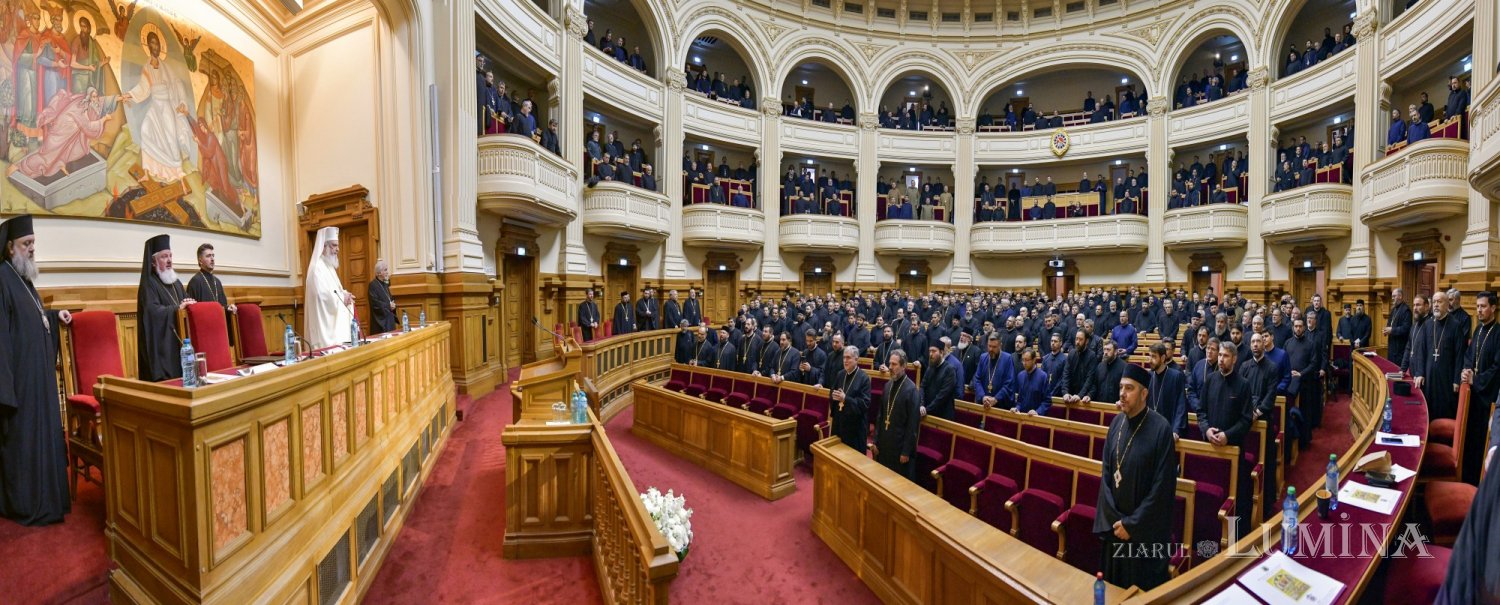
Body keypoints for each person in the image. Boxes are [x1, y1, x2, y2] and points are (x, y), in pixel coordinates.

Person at [0, 215, 72, 525]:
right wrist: (6, 386)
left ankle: (49, 496)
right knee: (24, 439)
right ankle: (27, 501)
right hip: (19, 380)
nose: (31, 249)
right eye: (26, 244)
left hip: (38, 374)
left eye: (33, 244)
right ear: (9, 247)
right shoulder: (3, 277)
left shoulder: (24, 278)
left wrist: (55, 316)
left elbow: (36, 317)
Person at [1095, 364, 1179, 592]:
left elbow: (1162, 488)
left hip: (1143, 537)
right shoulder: (1116, 424)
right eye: (1121, 387)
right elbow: (1106, 475)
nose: (1122, 393)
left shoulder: (1161, 429)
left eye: (1129, 388)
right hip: (1115, 530)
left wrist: (1132, 525)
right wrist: (1116, 522)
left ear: (1144, 394)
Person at [137, 234, 195, 380]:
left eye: (170, 256)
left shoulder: (176, 283)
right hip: (162, 352)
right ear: (153, 262)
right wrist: (177, 309)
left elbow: (185, 303)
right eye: (164, 257)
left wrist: (190, 306)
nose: (169, 260)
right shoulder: (149, 284)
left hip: (181, 347)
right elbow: (152, 314)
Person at [1461, 291, 1500, 484]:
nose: (1479, 310)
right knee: (1470, 440)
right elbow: (1468, 355)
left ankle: (1478, 482)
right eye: (1477, 306)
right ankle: (1466, 478)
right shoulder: (1478, 330)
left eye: (1483, 306)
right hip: (1473, 396)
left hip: (1487, 399)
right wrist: (1466, 372)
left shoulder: (1498, 333)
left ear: (1493, 308)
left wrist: (1475, 380)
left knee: (1480, 442)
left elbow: (1497, 369)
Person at [303, 227, 355, 350]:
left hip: (333, 330)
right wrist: (342, 297)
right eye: (334, 245)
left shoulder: (328, 266)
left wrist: (345, 294)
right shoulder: (316, 268)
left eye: (337, 245)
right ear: (324, 246)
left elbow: (335, 291)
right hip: (323, 332)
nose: (338, 249)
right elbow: (321, 296)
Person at [873, 349, 920, 479]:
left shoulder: (911, 390)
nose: (890, 367)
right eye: (890, 364)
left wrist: (906, 451)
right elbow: (880, 416)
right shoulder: (888, 385)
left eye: (894, 364)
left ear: (904, 366)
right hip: (884, 443)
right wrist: (876, 440)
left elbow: (913, 425)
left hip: (899, 448)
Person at [828, 346, 871, 453]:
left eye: (848, 358)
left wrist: (845, 399)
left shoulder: (864, 378)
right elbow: (832, 393)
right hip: (839, 422)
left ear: (856, 359)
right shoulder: (840, 374)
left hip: (854, 427)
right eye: (844, 358)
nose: (845, 361)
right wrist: (833, 397)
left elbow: (864, 404)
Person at [1146, 342, 1188, 437]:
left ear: (1163, 358)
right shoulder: (1149, 375)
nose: (1150, 360)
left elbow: (1181, 405)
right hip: (1150, 428)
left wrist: (1176, 430)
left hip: (1168, 429)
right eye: (1149, 356)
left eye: (1154, 357)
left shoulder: (1176, 376)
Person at [186, 243, 236, 315]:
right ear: (200, 261)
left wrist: (228, 308)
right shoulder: (195, 282)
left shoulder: (217, 282)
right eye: (208, 256)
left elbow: (222, 306)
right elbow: (192, 311)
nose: (212, 259)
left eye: (213, 256)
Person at [921, 343, 958, 420]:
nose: (931, 354)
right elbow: (922, 387)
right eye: (930, 351)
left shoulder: (949, 370)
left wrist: (927, 409)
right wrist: (921, 405)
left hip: (943, 416)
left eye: (934, 351)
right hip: (927, 412)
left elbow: (943, 395)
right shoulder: (930, 368)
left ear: (941, 352)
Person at [1013, 348, 1050, 415]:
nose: (1024, 363)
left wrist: (1037, 412)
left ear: (1034, 360)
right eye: (1023, 360)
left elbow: (1047, 401)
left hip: (1036, 419)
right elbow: (1020, 400)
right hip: (1022, 417)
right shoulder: (1020, 375)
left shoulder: (1043, 376)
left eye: (1027, 360)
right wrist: (1017, 408)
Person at [1386, 288, 1412, 367]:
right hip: (1392, 348)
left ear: (1400, 296)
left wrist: (1392, 330)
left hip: (1400, 350)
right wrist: (1386, 330)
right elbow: (1389, 323)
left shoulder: (1406, 310)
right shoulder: (1393, 309)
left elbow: (1406, 328)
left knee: (1397, 372)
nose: (1392, 298)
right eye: (1392, 296)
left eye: (1394, 296)